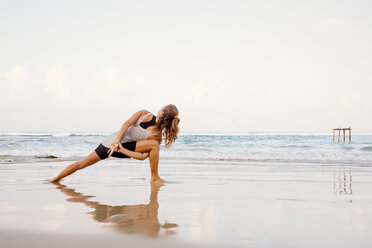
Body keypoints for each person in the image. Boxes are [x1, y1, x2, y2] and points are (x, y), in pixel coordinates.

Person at [50, 104, 180, 186]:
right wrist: (117, 142)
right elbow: (127, 126)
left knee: (81, 164)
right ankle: (55, 180)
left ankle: (54, 179)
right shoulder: (153, 131)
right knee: (81, 164)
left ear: (162, 112)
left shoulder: (146, 116)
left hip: (113, 144)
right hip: (112, 144)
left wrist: (121, 148)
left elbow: (141, 155)